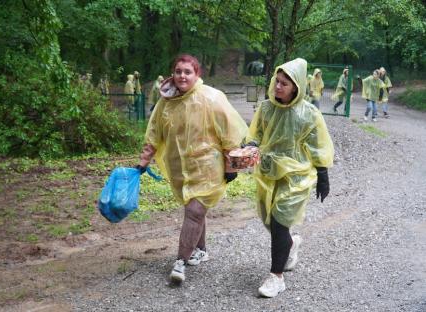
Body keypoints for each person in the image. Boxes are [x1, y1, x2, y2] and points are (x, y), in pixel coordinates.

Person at [136, 54, 248, 283]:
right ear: (172, 73)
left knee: (195, 211)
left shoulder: (211, 98)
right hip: (180, 169)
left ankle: (180, 262)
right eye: (178, 71)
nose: (182, 76)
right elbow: (154, 134)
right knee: (194, 210)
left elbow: (229, 133)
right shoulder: (165, 101)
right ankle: (201, 250)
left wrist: (230, 165)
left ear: (197, 75)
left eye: (188, 72)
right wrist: (143, 162)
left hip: (208, 168)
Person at [245, 58, 334, 298]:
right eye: (277, 81)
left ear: (296, 86)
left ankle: (276, 277)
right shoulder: (266, 108)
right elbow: (256, 134)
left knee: (279, 221)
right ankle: (291, 244)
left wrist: (323, 174)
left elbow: (319, 144)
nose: (278, 86)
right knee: (269, 221)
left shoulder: (308, 113)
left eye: (284, 83)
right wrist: (250, 147)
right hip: (268, 171)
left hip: (296, 174)